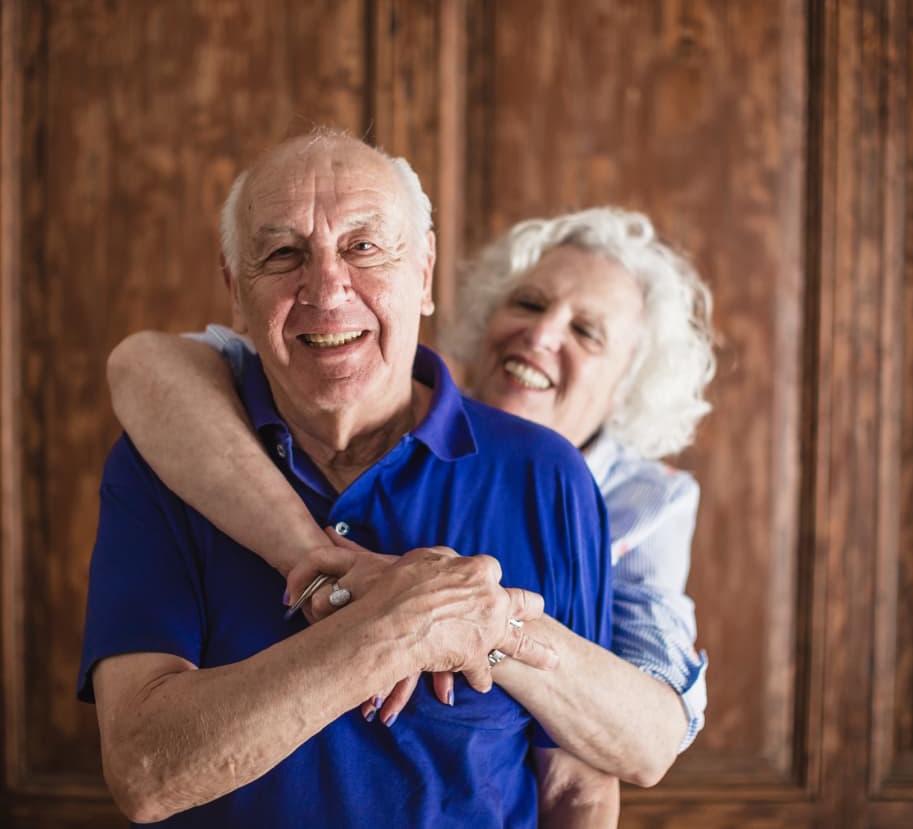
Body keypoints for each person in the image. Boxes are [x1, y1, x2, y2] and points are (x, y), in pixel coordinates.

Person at [79, 131, 619, 827]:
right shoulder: (162, 462)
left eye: (364, 247)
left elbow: (576, 789)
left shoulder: (545, 474)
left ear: (423, 273)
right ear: (236, 295)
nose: (327, 288)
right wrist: (395, 627)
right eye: (283, 254)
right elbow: (145, 773)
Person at [109, 206, 717, 788]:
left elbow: (649, 738)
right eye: (528, 304)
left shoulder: (644, 498)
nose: (540, 334)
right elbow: (146, 365)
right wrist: (332, 573)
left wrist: (474, 618)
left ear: (629, 384)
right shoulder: (381, 382)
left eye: (586, 332)